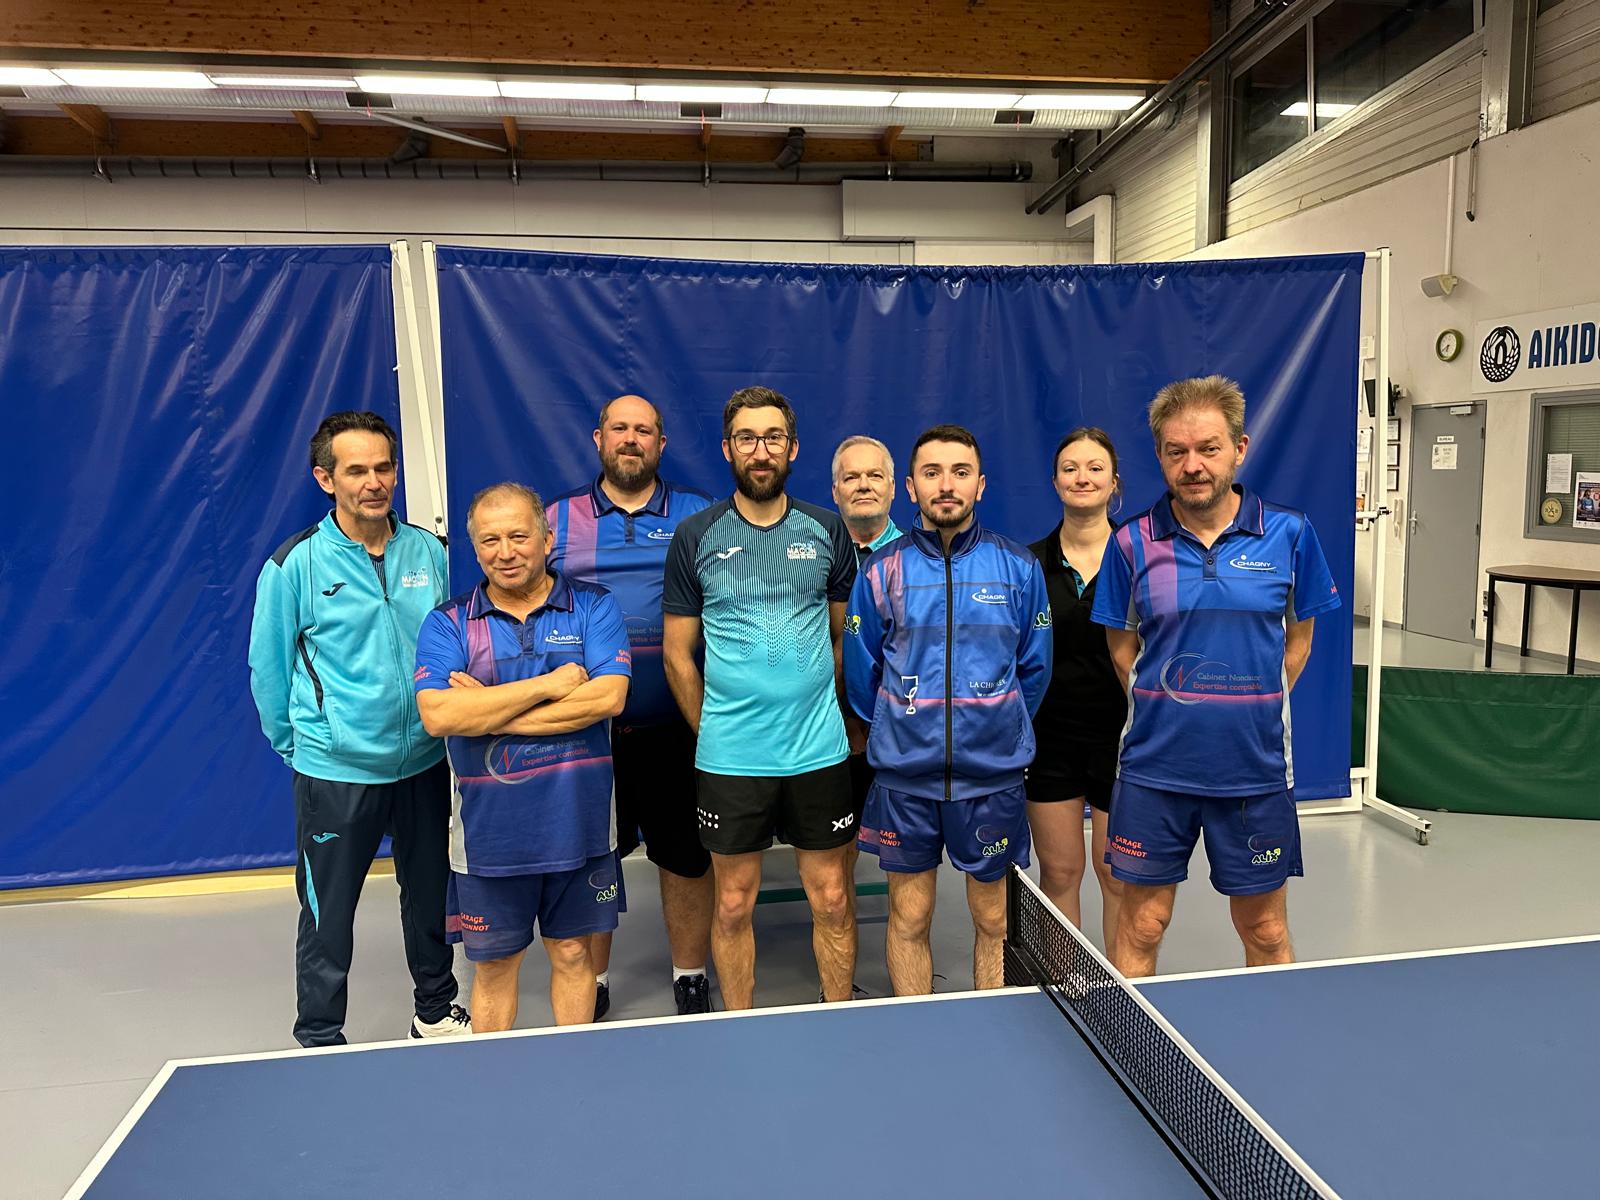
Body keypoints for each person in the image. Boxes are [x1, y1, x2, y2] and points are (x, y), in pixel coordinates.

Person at [1091, 376, 1340, 978]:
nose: (1193, 466)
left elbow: (1299, 642)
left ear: (1239, 448)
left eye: (1208, 448)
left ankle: (1274, 1032)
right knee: (1142, 925)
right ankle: (1132, 1034)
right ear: (1160, 456)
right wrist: (1171, 707)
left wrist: (1249, 703)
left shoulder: (1290, 534)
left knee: (1266, 929)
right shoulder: (1129, 543)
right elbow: (1122, 650)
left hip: (1255, 771)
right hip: (1153, 771)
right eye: (1177, 451)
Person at [248, 410, 469, 1047]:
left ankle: (435, 1009)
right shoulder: (294, 565)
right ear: (326, 479)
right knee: (329, 911)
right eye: (356, 471)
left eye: (384, 467)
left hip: (423, 762)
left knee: (429, 896)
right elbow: (268, 668)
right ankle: (320, 1035)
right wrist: (303, 747)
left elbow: (454, 643)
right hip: (335, 772)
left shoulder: (430, 552)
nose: (374, 482)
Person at [662, 386, 859, 1010]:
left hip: (817, 752)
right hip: (731, 759)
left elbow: (843, 638)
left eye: (773, 437)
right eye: (747, 438)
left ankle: (839, 1017)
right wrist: (714, 731)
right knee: (731, 902)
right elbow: (676, 654)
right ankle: (739, 1027)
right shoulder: (696, 536)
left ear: (792, 448)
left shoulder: (827, 530)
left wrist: (827, 712)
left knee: (833, 898)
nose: (761, 450)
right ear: (728, 449)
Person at [844, 424, 1052, 994]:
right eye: (932, 473)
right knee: (909, 917)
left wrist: (998, 728)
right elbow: (862, 675)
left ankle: (994, 1023)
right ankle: (917, 1030)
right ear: (911, 487)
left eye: (960, 472)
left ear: (980, 484)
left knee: (994, 920)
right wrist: (899, 729)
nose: (946, 485)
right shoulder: (881, 569)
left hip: (992, 780)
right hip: (905, 781)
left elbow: (1034, 670)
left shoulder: (1018, 567)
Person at [414, 484, 632, 1029]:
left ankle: (573, 1067)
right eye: (490, 540)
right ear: (474, 548)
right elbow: (439, 715)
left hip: (579, 829)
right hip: (488, 842)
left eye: (518, 536)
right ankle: (495, 1078)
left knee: (575, 954)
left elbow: (608, 698)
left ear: (547, 538)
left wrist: (487, 711)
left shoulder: (594, 606)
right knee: (494, 969)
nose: (505, 552)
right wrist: (550, 686)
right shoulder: (448, 622)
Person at [547, 394, 716, 1018]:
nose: (630, 439)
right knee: (592, 859)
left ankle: (690, 976)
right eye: (619, 428)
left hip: (679, 726)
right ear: (598, 438)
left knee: (687, 859)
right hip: (588, 730)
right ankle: (591, 981)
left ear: (661, 444)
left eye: (643, 430)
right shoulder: (555, 519)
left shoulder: (701, 514)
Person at [1026, 428, 1129, 950]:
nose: (1082, 477)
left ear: (1114, 482)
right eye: (1070, 468)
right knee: (1061, 872)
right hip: (1050, 742)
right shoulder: (1028, 566)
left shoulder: (1141, 557)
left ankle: (1122, 987)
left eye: (1094, 468)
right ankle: (1068, 983)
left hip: (1124, 741)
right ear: (1055, 482)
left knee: (1117, 876)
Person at [829, 434, 902, 942]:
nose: (863, 485)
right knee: (835, 874)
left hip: (900, 737)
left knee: (908, 867)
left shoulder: (920, 558)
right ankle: (841, 972)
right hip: (830, 737)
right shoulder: (813, 556)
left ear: (894, 487)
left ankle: (907, 967)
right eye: (851, 477)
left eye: (874, 475)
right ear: (835, 490)